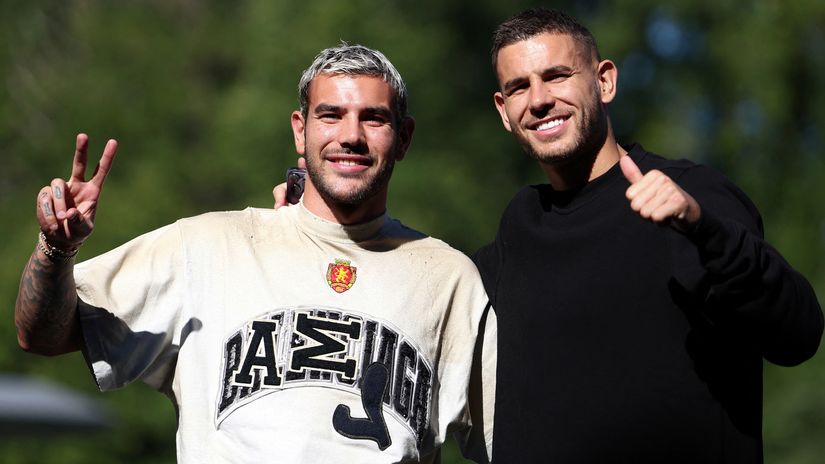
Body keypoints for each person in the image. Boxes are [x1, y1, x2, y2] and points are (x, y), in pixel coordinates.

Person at [15, 44, 495, 464]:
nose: (351, 135)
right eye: (331, 115)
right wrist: (56, 248)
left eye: (373, 118)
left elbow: (511, 440)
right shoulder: (206, 246)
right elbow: (42, 334)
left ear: (404, 137)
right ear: (299, 129)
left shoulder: (449, 278)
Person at [473, 7, 823, 463]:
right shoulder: (515, 236)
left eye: (557, 76)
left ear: (605, 82)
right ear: (504, 110)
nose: (538, 99)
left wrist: (704, 229)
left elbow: (798, 333)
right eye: (519, 86)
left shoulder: (690, 196)